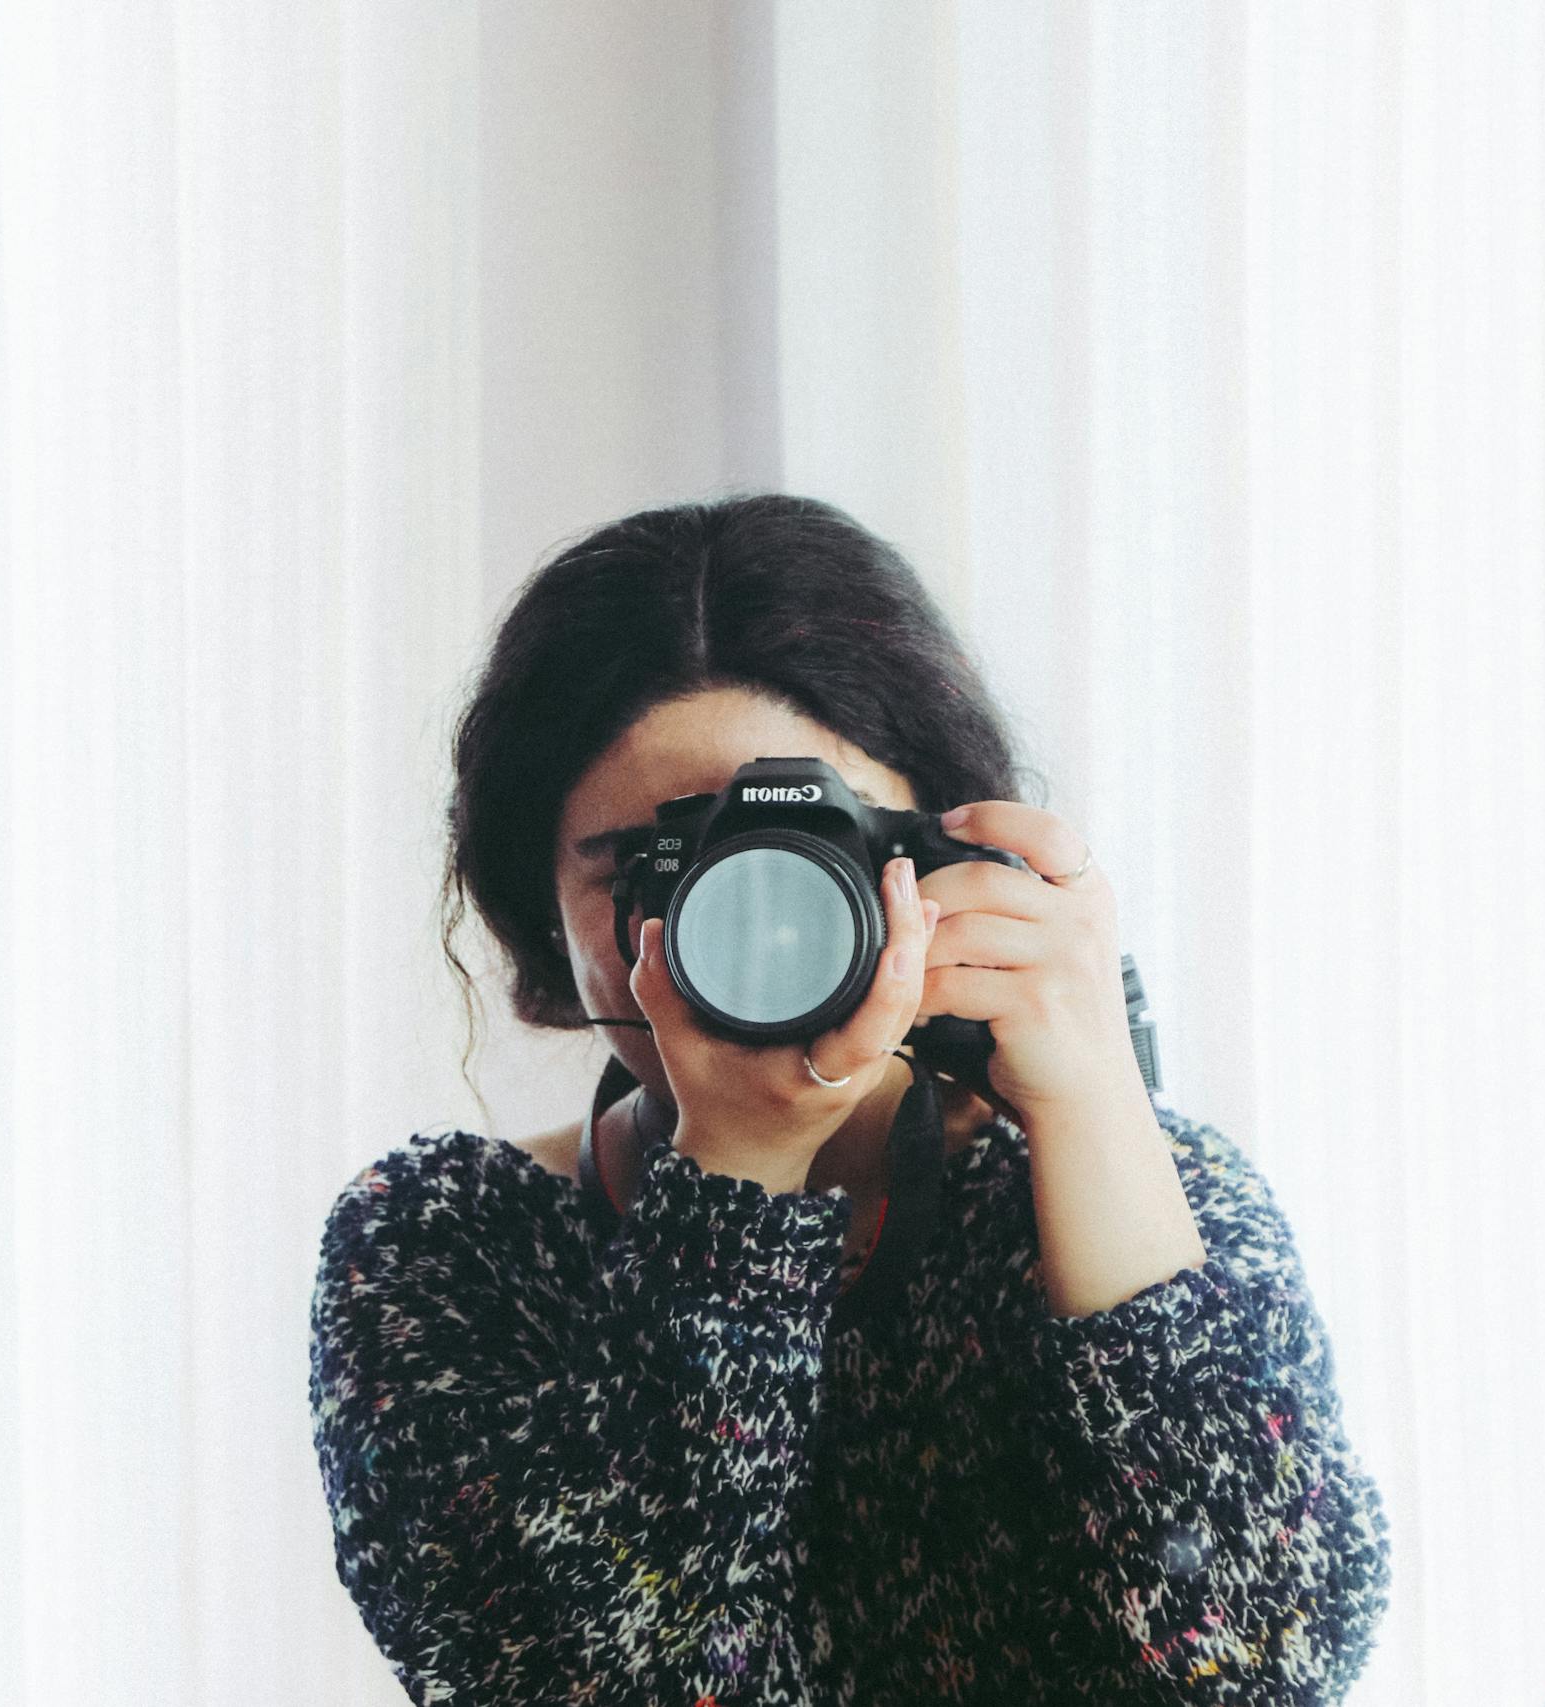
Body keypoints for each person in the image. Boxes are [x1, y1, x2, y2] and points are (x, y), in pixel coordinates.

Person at [306, 494, 1392, 1703]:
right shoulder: (446, 1247)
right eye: (649, 871)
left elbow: (1262, 1670)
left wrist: (1093, 1108)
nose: (746, 926)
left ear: (938, 856)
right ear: (538, 908)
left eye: (815, 860)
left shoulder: (1127, 1187)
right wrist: (732, 1183)